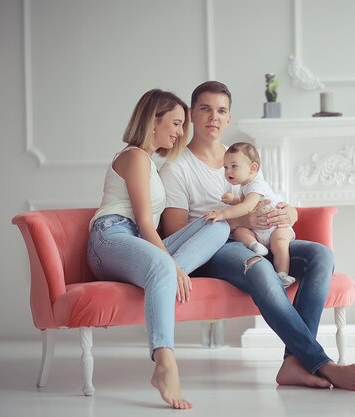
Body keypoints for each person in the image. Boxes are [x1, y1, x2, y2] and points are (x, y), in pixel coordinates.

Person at [159, 81, 355, 391]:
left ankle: (292, 363)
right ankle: (321, 363)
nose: (213, 117)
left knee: (321, 256)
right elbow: (176, 232)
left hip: (263, 237)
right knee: (259, 267)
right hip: (218, 249)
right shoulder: (176, 167)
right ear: (191, 114)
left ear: (229, 118)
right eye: (205, 109)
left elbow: (265, 197)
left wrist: (290, 214)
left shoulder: (241, 156)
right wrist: (240, 220)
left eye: (221, 111)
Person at [86, 89, 230, 409]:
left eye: (183, 125)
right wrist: (173, 265)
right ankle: (165, 363)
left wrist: (167, 263)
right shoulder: (135, 155)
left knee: (218, 224)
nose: (181, 132)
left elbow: (147, 231)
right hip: (110, 238)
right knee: (165, 265)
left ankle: (160, 274)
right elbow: (144, 223)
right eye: (176, 123)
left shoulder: (150, 162)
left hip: (137, 242)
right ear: (154, 120)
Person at [203, 141, 296, 288]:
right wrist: (233, 199)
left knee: (280, 243)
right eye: (225, 167)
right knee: (239, 231)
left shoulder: (256, 184)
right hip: (258, 230)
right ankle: (254, 245)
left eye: (234, 166)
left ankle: (282, 274)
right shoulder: (246, 184)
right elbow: (243, 201)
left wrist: (222, 214)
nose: (228, 172)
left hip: (275, 227)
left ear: (253, 168)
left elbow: (247, 207)